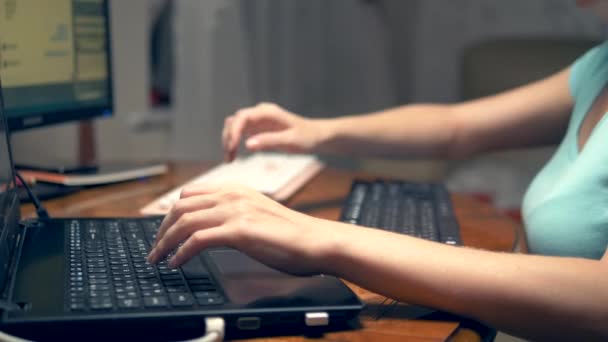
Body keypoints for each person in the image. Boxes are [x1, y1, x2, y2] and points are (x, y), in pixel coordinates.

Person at [149, 1, 608, 340]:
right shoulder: (599, 67)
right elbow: (454, 127)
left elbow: (599, 299)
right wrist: (313, 131)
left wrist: (317, 238)